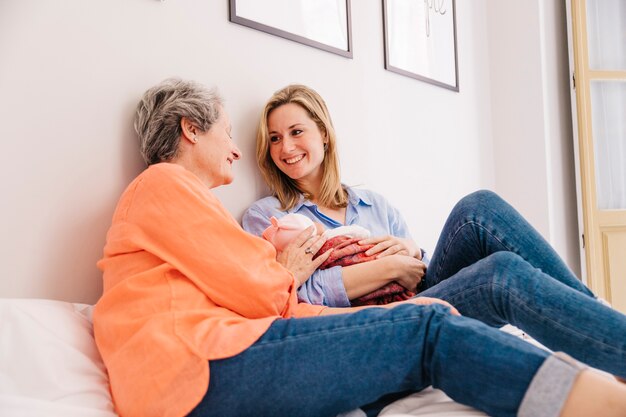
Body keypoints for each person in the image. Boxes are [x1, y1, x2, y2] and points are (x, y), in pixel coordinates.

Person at [93, 78, 626, 417]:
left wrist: (407, 272)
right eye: (234, 135)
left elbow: (276, 300)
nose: (238, 149)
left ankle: (599, 329)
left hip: (221, 354)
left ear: (324, 134)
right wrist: (288, 268)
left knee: (477, 217)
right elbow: (264, 292)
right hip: (193, 366)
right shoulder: (170, 186)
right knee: (442, 318)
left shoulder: (187, 202)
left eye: (295, 132)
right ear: (191, 130)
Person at [242, 84, 626, 381]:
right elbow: (295, 295)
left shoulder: (373, 204)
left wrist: (409, 251)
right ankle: (611, 338)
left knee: (478, 207)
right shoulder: (268, 217)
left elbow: (419, 272)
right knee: (501, 272)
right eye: (274, 138)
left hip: (420, 292)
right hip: (379, 321)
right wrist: (389, 267)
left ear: (323, 134)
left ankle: (595, 313)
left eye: (296, 131)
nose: (286, 147)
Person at [262, 212, 415, 305]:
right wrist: (392, 267)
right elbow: (292, 291)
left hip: (419, 282)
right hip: (396, 306)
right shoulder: (263, 214)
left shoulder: (376, 203)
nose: (288, 155)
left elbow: (422, 267)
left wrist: (413, 249)